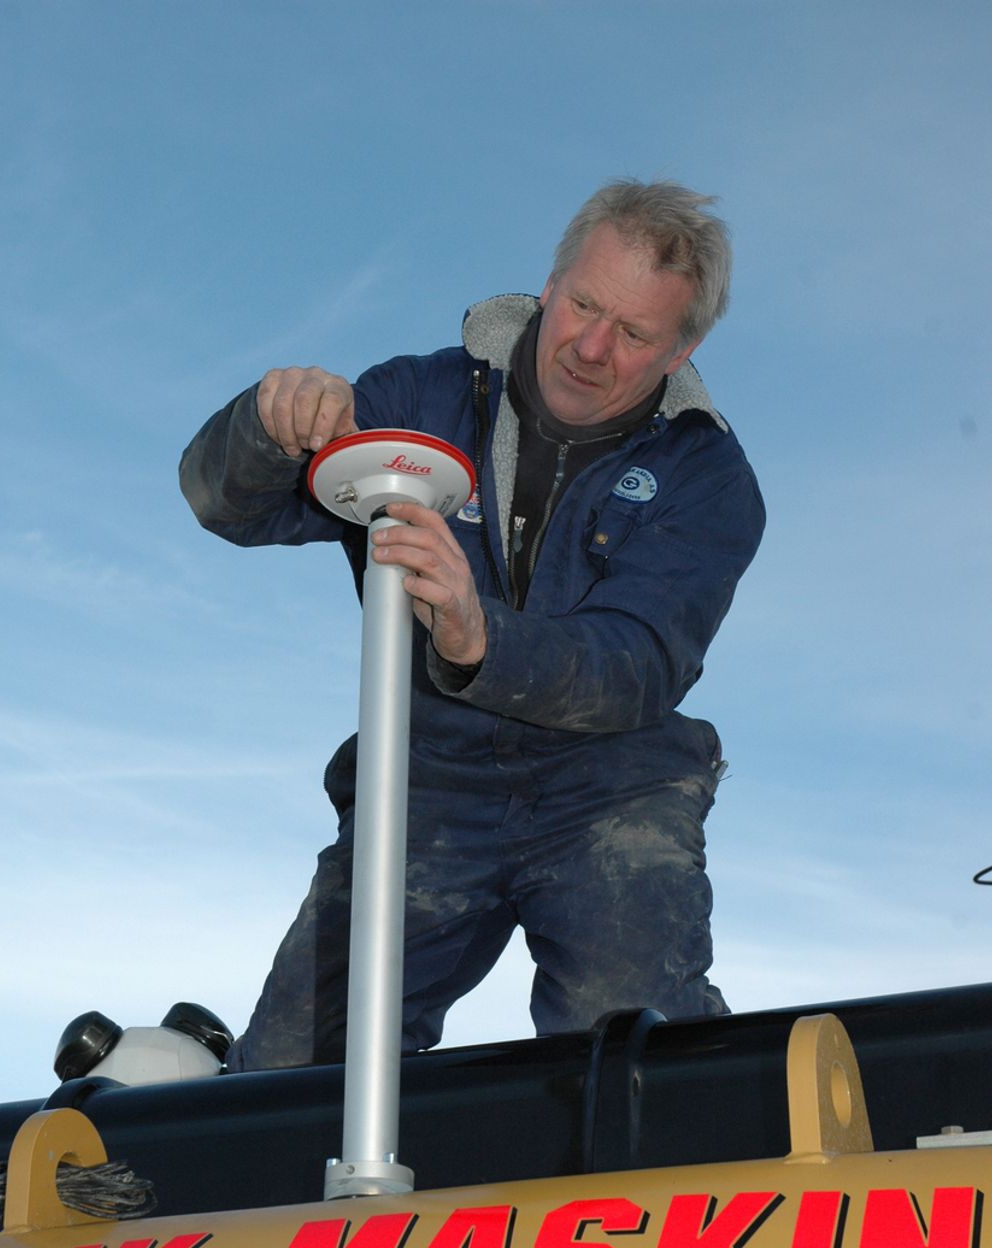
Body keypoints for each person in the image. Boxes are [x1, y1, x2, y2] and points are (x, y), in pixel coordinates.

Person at [180, 178, 765, 1072]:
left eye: (636, 333)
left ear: (682, 346)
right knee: (293, 1077)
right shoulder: (417, 398)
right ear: (550, 282)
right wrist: (264, 425)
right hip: (424, 791)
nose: (593, 347)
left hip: (610, 792)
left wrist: (479, 637)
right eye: (583, 305)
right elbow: (228, 505)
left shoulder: (710, 479)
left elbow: (639, 663)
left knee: (637, 1060)